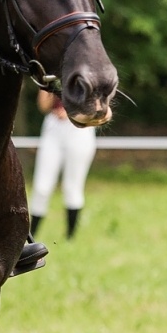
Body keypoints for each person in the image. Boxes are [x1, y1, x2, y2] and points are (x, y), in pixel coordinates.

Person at [29, 88, 97, 240]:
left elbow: (97, 106)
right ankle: (31, 235)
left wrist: (72, 114)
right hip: (54, 127)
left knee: (72, 186)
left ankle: (70, 236)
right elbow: (43, 106)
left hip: (80, 128)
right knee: (42, 187)